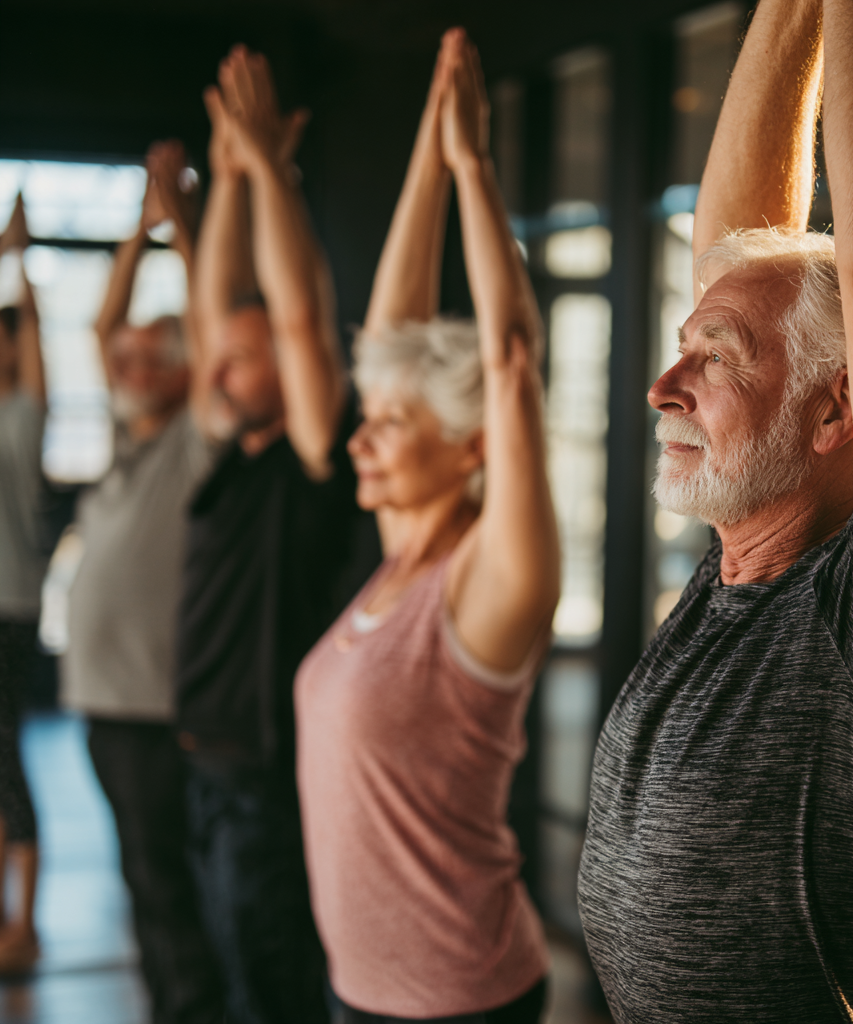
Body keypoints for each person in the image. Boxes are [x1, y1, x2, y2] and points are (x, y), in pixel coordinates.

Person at [576, 0, 853, 1021]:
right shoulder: (739, 561)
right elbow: (733, 246)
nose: (662, 386)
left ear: (833, 411)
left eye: (714, 357)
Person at [295, 29, 559, 1024]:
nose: (361, 438)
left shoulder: (489, 583)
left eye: (394, 425)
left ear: (471, 447)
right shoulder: (394, 564)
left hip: (457, 999)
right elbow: (388, 338)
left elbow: (511, 360)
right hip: (360, 991)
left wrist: (473, 168)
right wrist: (427, 147)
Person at [177, 45, 380, 1024]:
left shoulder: (311, 458)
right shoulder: (229, 447)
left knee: (272, 988)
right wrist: (229, 175)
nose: (221, 364)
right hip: (208, 759)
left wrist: (266, 172)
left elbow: (299, 317)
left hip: (261, 770)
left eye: (247, 358)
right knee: (231, 965)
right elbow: (221, 311)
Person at [62, 140, 225, 1023]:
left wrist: (185, 231)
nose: (124, 366)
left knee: (168, 885)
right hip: (107, 705)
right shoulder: (129, 446)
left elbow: (203, 317)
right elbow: (101, 330)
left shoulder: (193, 445)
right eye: (123, 361)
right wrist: (139, 227)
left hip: (155, 711)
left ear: (186, 369)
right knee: (145, 878)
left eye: (145, 358)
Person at [0, 195, 46, 976]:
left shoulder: (21, 420)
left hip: (5, 613)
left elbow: (34, 338)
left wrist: (18, 260)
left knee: (7, 768)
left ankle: (23, 925)